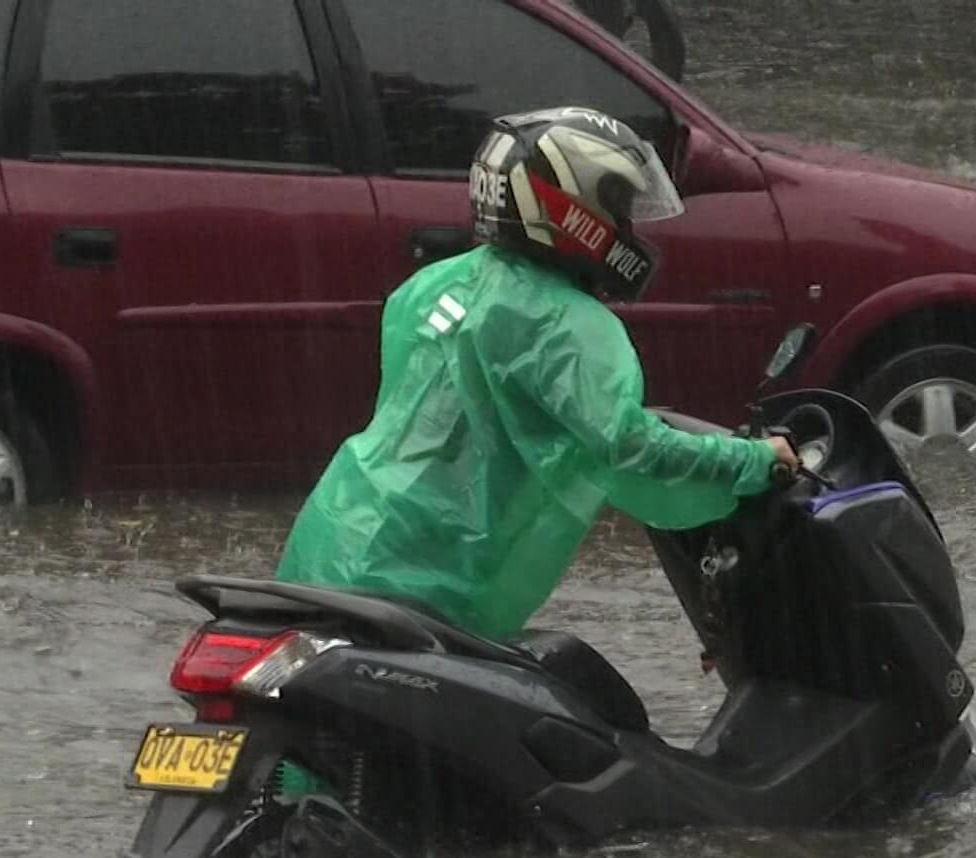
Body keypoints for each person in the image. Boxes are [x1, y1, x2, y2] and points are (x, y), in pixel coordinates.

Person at [274, 106, 797, 642]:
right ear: (573, 209)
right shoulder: (568, 325)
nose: (627, 226)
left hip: (332, 542)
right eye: (618, 206)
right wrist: (754, 461)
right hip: (427, 586)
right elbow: (629, 449)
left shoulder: (431, 285)